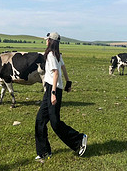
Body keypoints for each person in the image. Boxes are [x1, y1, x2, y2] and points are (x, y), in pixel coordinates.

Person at [35, 32, 87, 163]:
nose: (46, 41)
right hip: (51, 89)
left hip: (53, 91)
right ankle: (43, 152)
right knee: (40, 120)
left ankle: (79, 139)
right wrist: (68, 82)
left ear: (50, 41)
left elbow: (56, 73)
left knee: (55, 123)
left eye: (47, 40)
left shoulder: (51, 55)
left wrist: (52, 93)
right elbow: (63, 67)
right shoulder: (57, 54)